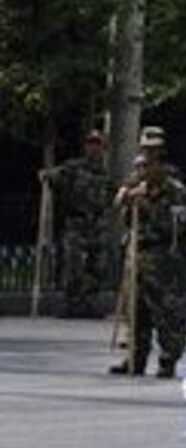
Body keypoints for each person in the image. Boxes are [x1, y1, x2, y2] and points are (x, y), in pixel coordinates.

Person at [110, 127, 186, 377]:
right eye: (142, 164)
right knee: (135, 311)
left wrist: (149, 208)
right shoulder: (135, 183)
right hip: (137, 254)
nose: (145, 169)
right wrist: (125, 200)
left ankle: (168, 359)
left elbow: (176, 228)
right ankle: (135, 357)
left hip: (163, 258)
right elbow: (121, 212)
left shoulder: (175, 190)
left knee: (167, 312)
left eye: (151, 163)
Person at [39, 130, 114, 318]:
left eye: (98, 144)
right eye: (90, 143)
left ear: (103, 148)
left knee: (98, 264)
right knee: (74, 264)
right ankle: (72, 303)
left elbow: (114, 195)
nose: (94, 147)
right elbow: (55, 175)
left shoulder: (105, 174)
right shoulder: (73, 168)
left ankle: (90, 303)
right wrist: (47, 175)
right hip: (77, 222)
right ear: (85, 146)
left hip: (97, 223)